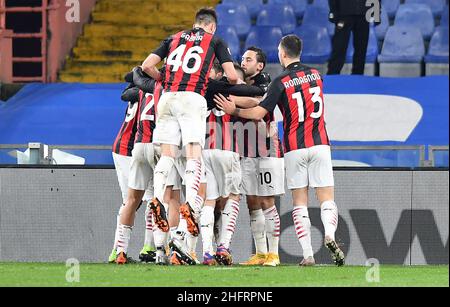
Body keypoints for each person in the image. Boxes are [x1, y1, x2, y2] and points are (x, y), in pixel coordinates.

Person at [215, 35, 345, 267]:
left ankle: (307, 255)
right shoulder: (317, 75)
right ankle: (330, 236)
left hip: (294, 146)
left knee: (299, 202)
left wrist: (234, 109)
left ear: (282, 54)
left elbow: (257, 112)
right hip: (321, 143)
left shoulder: (279, 81)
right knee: (326, 198)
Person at [141, 7, 239, 263]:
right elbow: (231, 75)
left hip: (168, 97)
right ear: (212, 27)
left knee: (168, 153)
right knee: (194, 152)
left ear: (195, 23)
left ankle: (159, 199)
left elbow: (146, 66)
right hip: (191, 97)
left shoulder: (173, 38)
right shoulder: (215, 41)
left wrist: (164, 78)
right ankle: (192, 203)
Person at [200, 62, 265, 265]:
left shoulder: (202, 91)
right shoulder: (228, 92)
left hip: (205, 150)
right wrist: (234, 102)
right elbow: (254, 102)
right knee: (234, 197)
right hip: (228, 150)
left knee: (209, 201)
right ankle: (223, 246)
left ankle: (207, 251)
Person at [239, 47, 285, 267]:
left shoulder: (265, 81)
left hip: (267, 147)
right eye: (243, 58)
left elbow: (258, 104)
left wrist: (233, 102)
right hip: (246, 148)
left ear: (259, 65)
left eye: (249, 59)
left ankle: (274, 254)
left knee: (267, 200)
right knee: (252, 202)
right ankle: (260, 253)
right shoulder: (241, 83)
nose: (243, 62)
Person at [109, 72, 155, 264]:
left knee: (139, 200)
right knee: (135, 201)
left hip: (127, 147)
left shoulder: (136, 92)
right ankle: (123, 249)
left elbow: (126, 92)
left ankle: (140, 248)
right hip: (131, 148)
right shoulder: (156, 91)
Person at [327, 0, 379, 75]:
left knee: (361, 48)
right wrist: (333, 12)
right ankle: (332, 75)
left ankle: (358, 76)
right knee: (339, 46)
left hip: (364, 16)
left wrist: (376, 14)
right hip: (343, 16)